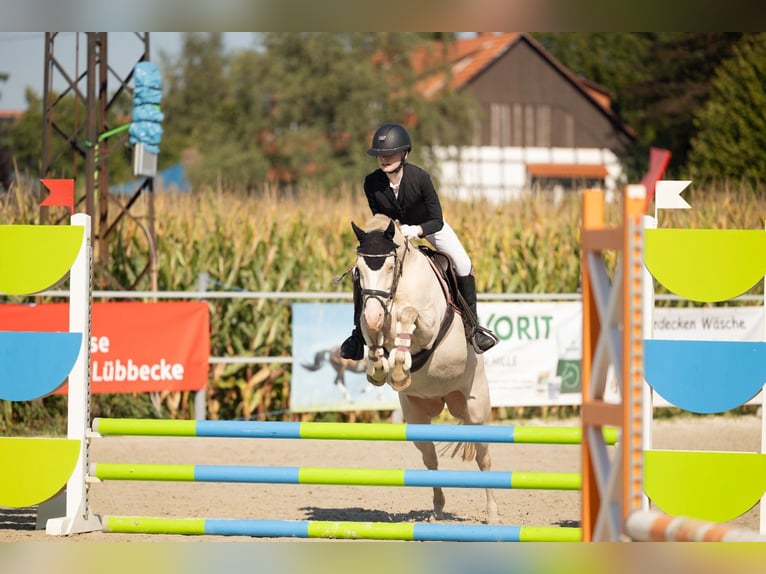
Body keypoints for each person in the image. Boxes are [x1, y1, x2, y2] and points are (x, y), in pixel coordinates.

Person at [340, 123, 498, 360]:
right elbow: (379, 217)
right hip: (394, 232)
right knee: (360, 270)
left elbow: (437, 219)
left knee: (463, 264)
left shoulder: (420, 178)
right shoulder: (371, 182)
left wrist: (417, 230)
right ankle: (357, 334)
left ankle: (473, 327)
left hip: (429, 226)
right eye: (380, 155)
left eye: (390, 154)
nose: (384, 159)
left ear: (404, 153)